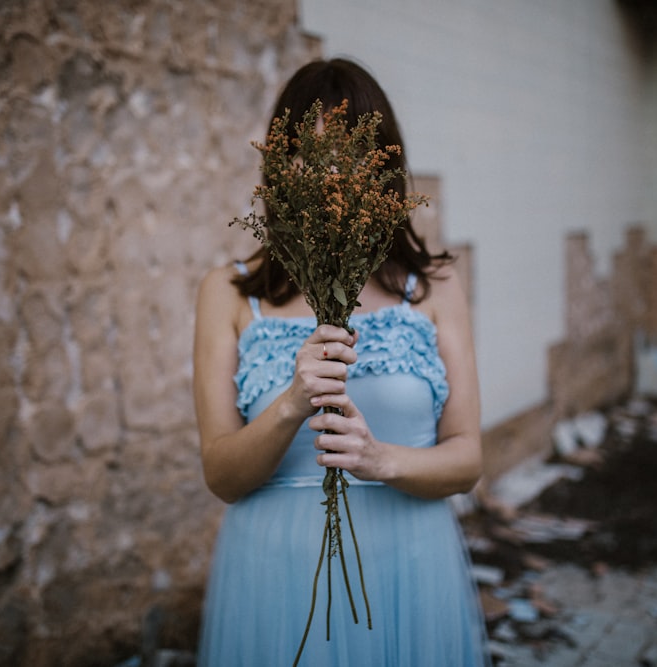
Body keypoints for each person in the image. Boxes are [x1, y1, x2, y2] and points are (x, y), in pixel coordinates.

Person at [193, 57, 488, 666]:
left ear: (385, 166)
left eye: (355, 153)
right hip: (273, 575)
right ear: (282, 168)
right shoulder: (229, 291)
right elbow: (222, 476)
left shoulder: (435, 287)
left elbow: (467, 459)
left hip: (409, 567)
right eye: (313, 152)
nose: (334, 172)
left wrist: (381, 460)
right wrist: (291, 405)